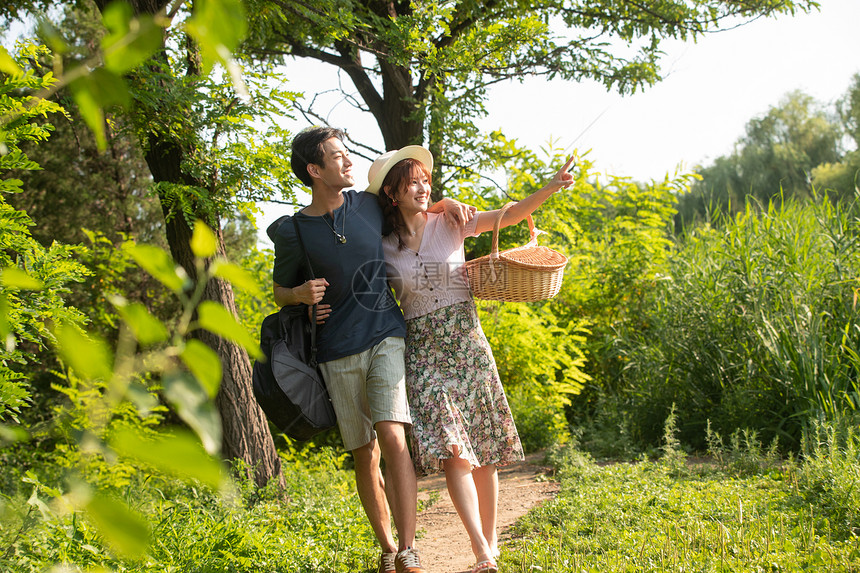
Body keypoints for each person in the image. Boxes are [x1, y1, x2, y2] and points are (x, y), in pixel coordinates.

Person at [268, 127, 473, 573]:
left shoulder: (368, 205)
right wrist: (300, 295)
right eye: (337, 156)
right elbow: (279, 290)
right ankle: (385, 547)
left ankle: (408, 548)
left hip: (386, 333)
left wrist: (447, 204)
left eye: (346, 153)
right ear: (314, 170)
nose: (348, 161)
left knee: (394, 436)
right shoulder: (294, 231)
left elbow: (412, 203)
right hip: (335, 349)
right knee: (365, 451)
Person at [370, 145, 575, 573]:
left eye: (427, 180)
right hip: (423, 348)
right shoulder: (381, 244)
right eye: (413, 181)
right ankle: (481, 549)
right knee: (453, 450)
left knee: (481, 445)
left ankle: (491, 538)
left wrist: (550, 188)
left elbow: (510, 215)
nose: (424, 187)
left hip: (467, 340)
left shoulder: (450, 220)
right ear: (392, 192)